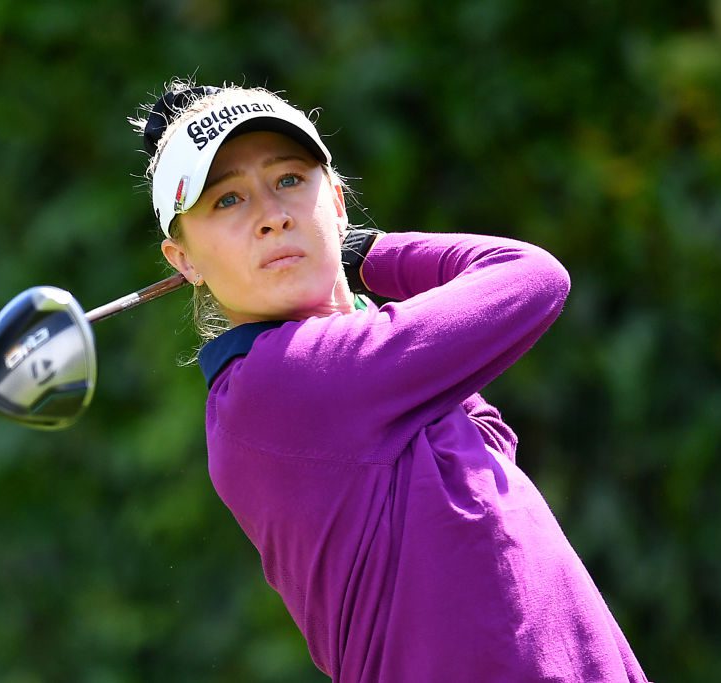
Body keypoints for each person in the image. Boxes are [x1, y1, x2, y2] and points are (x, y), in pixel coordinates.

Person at [133, 82, 650, 682]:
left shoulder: (378, 369)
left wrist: (345, 279)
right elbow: (531, 276)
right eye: (227, 201)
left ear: (338, 202)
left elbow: (489, 445)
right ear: (184, 260)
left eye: (290, 181)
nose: (272, 216)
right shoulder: (278, 384)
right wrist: (371, 251)